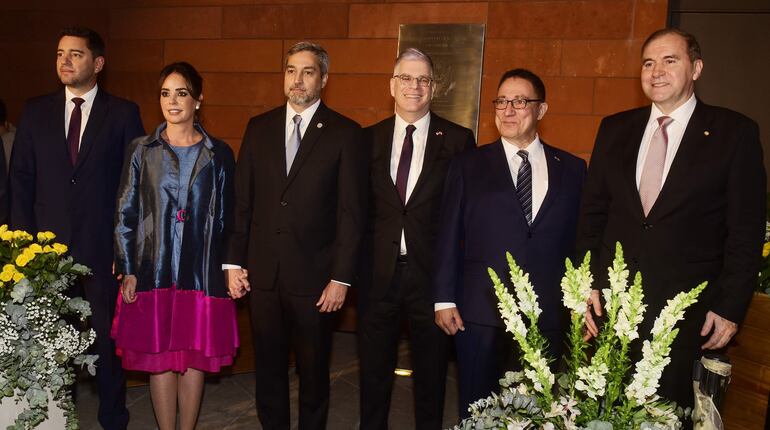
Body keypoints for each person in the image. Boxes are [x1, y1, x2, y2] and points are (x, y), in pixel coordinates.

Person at [577, 28, 766, 415]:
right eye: (648, 62)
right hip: (612, 308)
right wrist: (586, 285)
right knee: (603, 412)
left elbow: (744, 233)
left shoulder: (735, 133)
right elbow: (592, 216)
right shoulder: (615, 129)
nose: (656, 71)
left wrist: (730, 308)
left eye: (670, 60)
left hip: (688, 316)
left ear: (696, 68)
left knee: (668, 416)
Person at [224, 41, 368, 430]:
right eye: (291, 70)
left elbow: (352, 214)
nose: (297, 79)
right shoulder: (259, 127)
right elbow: (242, 201)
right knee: (268, 372)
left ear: (323, 78)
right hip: (264, 276)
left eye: (307, 71)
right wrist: (233, 262)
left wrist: (341, 278)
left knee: (314, 374)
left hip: (316, 281)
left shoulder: (345, 133)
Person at [9, 26, 144, 430]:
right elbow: (21, 181)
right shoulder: (34, 111)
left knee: (107, 339)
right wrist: (22, 248)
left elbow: (133, 188)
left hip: (102, 250)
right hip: (45, 255)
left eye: (76, 54)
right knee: (51, 344)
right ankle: (57, 417)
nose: (65, 61)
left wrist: (127, 251)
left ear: (98, 63)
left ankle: (112, 417)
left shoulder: (122, 113)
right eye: (59, 53)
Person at [433, 69, 587, 417]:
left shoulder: (573, 169)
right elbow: (447, 234)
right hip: (479, 311)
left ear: (541, 110)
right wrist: (443, 298)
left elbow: (581, 242)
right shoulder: (467, 164)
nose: (508, 110)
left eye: (520, 101)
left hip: (547, 313)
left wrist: (580, 303)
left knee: (539, 412)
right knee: (477, 411)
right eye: (501, 101)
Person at [111, 62, 239, 430]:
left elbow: (232, 219)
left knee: (194, 356)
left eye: (181, 93)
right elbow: (125, 211)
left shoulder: (220, 154)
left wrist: (232, 267)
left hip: (201, 270)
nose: (173, 101)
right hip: (154, 268)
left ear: (199, 99)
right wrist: (127, 267)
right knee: (160, 357)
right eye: (165, 93)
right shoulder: (142, 150)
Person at [358, 48, 475, 430]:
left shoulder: (458, 140)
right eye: (406, 78)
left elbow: (465, 219)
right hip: (378, 278)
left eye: (423, 79)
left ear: (434, 87)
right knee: (373, 376)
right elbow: (355, 212)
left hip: (432, 281)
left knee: (432, 377)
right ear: (392, 85)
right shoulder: (367, 140)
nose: (415, 86)